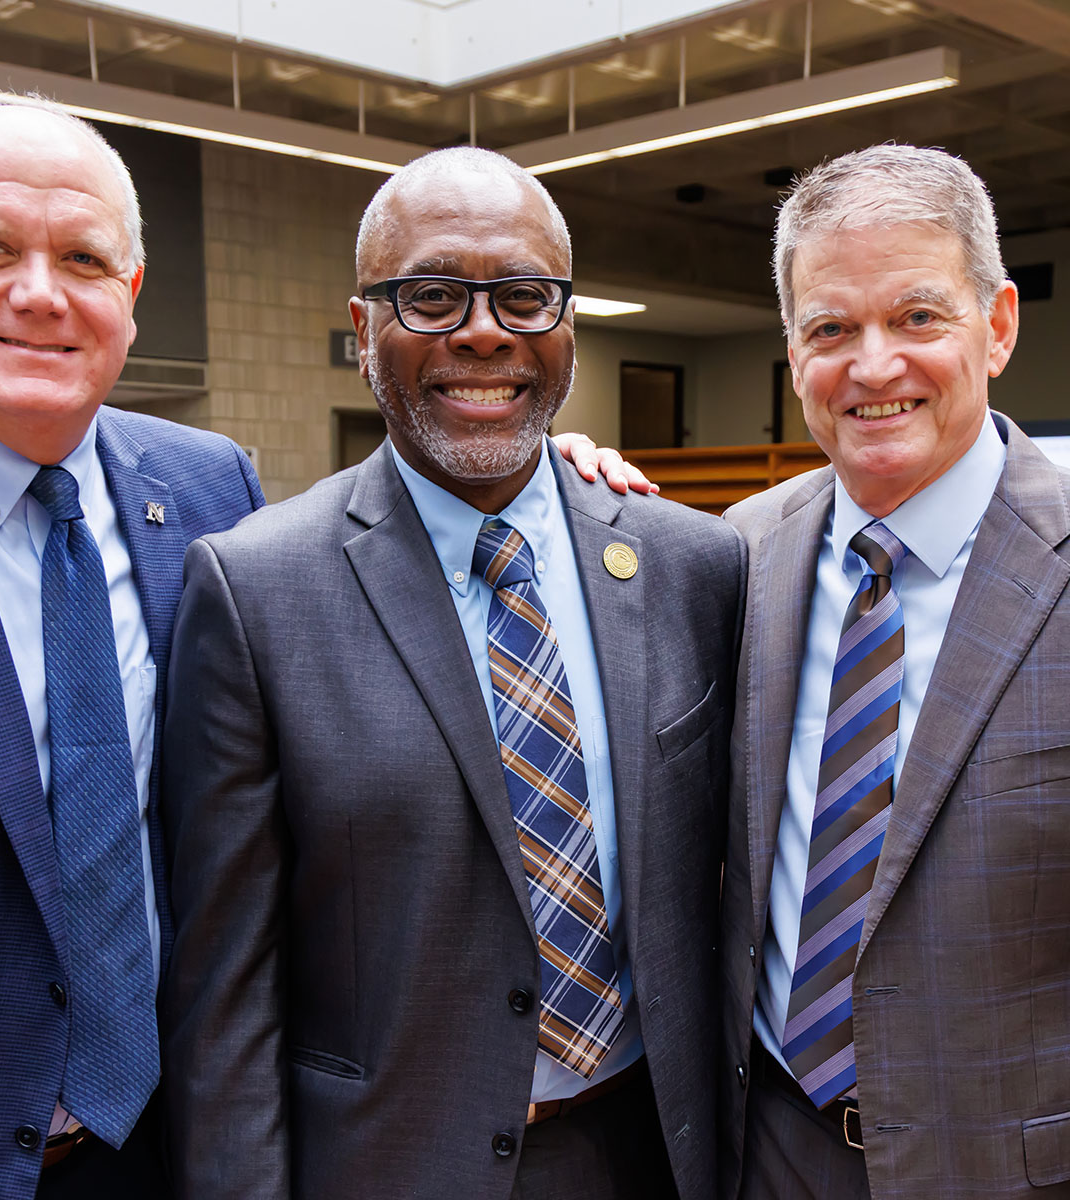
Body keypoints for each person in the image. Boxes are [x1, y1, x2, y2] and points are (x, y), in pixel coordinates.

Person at [159, 146, 745, 1200]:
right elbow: (225, 994)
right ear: (363, 328)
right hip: (392, 1166)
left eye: (524, 296)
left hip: (653, 1153)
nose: (484, 331)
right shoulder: (256, 589)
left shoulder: (692, 565)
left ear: (567, 324)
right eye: (431, 296)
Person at [0, 95, 264, 1199]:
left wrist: (535, 488)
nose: (41, 293)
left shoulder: (211, 489)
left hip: (174, 1149)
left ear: (129, 296)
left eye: (84, 259)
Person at [716, 145, 1070, 1199]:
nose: (873, 367)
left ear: (997, 325)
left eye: (918, 317)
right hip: (763, 1150)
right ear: (794, 353)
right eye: (832, 329)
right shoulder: (731, 557)